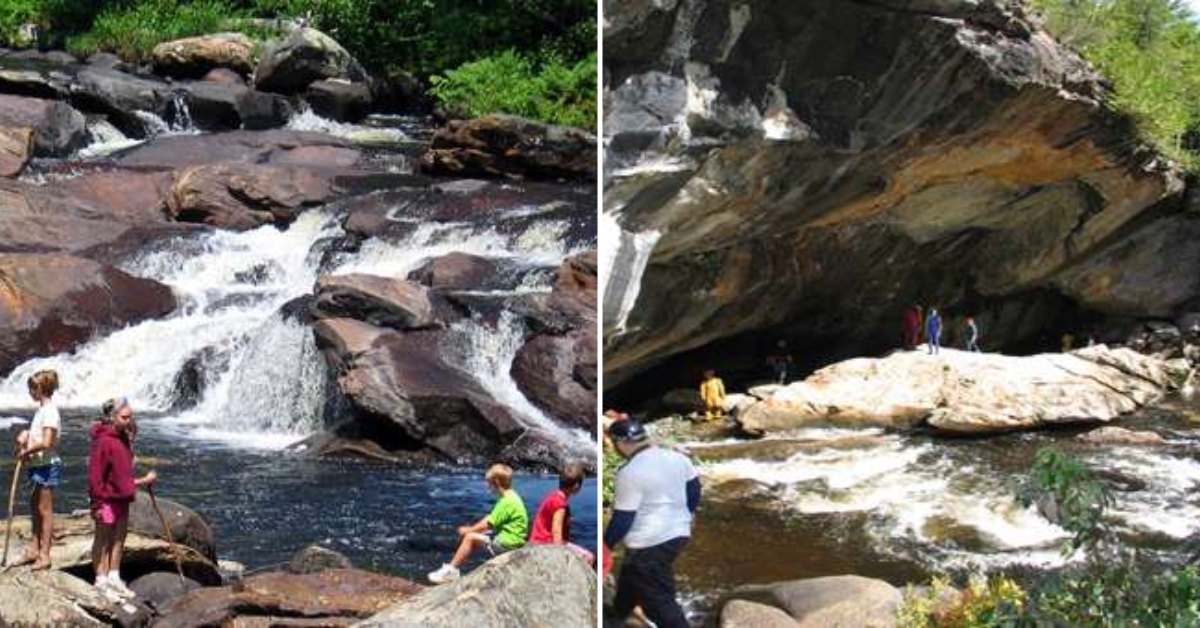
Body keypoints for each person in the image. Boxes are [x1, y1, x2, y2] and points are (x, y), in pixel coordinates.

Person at [605, 419, 700, 628]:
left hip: (648, 542)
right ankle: (619, 612)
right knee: (632, 572)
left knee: (659, 600)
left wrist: (607, 545)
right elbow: (694, 491)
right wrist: (686, 515)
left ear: (620, 442)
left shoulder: (629, 472)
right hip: (679, 533)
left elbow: (623, 518)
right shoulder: (678, 458)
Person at [89, 397, 156, 601]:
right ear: (112, 417)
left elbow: (123, 473)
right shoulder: (103, 441)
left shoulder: (123, 439)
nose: (129, 420)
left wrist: (142, 481)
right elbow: (95, 476)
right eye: (125, 417)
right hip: (107, 500)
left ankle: (114, 575)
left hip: (122, 499)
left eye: (131, 417)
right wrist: (97, 503)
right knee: (103, 539)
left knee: (119, 538)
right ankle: (101, 579)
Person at [428, 463, 528, 584]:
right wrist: (479, 529)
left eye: (489, 484)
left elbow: (489, 523)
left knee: (469, 538)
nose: (488, 487)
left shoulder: (506, 502)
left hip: (507, 543)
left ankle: (451, 571)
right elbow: (491, 519)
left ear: (496, 483)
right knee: (481, 535)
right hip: (515, 540)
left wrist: (470, 530)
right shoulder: (513, 496)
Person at [12, 369, 62, 570]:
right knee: (35, 508)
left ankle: (44, 554)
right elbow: (39, 435)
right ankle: (34, 548)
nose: (30, 392)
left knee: (45, 511)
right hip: (37, 465)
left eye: (32, 388)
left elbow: (48, 442)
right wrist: (25, 436)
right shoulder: (42, 410)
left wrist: (27, 451)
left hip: (47, 466)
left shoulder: (50, 411)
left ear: (40, 388)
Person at [529, 462, 594, 565]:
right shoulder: (560, 505)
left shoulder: (552, 496)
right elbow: (556, 531)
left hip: (536, 541)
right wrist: (559, 557)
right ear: (576, 486)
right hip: (545, 544)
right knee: (589, 557)